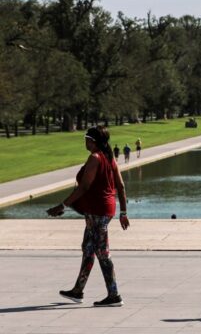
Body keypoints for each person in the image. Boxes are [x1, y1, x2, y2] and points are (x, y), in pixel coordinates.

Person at [46, 125, 130, 307]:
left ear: (92, 141)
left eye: (86, 138)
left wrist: (62, 205)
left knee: (102, 252)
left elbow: (83, 187)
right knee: (88, 248)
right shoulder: (109, 159)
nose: (84, 141)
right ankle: (78, 290)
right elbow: (121, 187)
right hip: (103, 210)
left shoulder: (95, 158)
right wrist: (123, 212)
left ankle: (114, 295)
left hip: (97, 211)